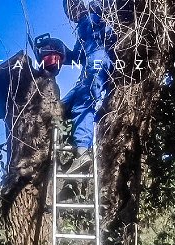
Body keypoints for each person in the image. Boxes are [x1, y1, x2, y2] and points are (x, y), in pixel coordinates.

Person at [61, 0, 117, 171]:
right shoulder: (84, 25)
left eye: (73, 7)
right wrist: (60, 52)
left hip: (97, 63)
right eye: (69, 12)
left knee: (84, 103)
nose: (72, 14)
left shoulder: (93, 17)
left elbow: (109, 34)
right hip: (90, 68)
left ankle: (83, 152)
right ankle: (58, 115)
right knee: (66, 103)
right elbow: (77, 56)